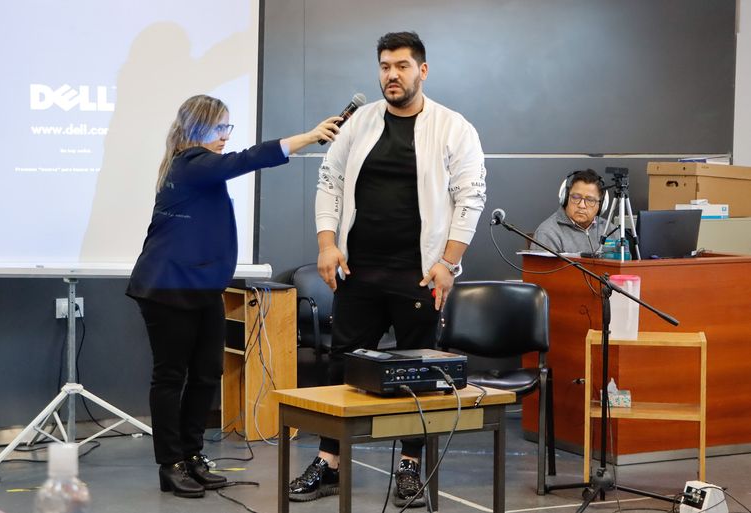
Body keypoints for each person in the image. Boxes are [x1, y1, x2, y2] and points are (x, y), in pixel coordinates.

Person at [289, 32, 487, 507]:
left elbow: (471, 198)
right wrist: (327, 243)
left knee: (419, 368)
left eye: (401, 66)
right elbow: (329, 180)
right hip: (358, 270)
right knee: (343, 364)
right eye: (383, 66)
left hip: (418, 273)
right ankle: (329, 463)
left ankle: (409, 468)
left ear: (423, 70)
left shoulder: (453, 127)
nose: (391, 75)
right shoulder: (359, 123)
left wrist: (448, 263)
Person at [126, 94, 340, 499]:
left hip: (202, 288)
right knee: (171, 376)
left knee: (207, 371)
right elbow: (246, 159)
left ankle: (191, 456)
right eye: (219, 128)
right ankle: (170, 463)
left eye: (229, 128)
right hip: (166, 288)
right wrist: (308, 137)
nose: (226, 136)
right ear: (196, 128)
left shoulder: (199, 167)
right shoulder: (191, 163)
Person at [531, 169, 609, 254]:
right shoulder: (548, 233)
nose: (582, 205)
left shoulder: (610, 230)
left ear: (601, 205)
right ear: (565, 197)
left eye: (590, 200)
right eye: (576, 197)